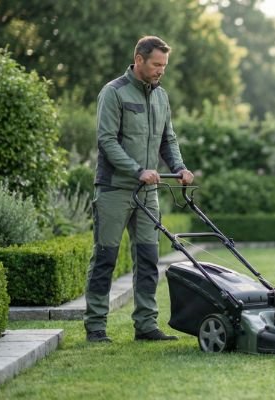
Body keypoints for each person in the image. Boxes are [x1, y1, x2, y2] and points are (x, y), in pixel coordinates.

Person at [85, 36, 194, 343]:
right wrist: (137, 170)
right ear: (139, 59)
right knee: (105, 257)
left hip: (148, 193)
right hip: (114, 190)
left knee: (147, 259)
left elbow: (167, 140)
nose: (162, 71)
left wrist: (179, 168)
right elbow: (107, 141)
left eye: (165, 65)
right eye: (157, 65)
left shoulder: (161, 97)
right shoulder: (113, 92)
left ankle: (145, 325)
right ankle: (95, 326)